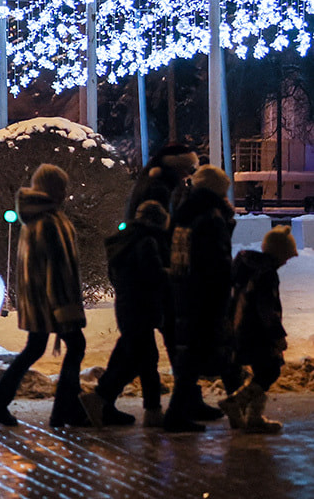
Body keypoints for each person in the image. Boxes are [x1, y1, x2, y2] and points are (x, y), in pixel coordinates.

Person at [0, 164, 90, 428]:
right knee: (75, 346)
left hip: (38, 301)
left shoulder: (34, 219)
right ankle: (65, 409)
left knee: (35, 348)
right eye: (61, 187)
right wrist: (66, 309)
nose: (65, 192)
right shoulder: (50, 221)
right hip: (55, 302)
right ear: (53, 189)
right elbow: (59, 270)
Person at [81, 200, 170, 428]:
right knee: (147, 359)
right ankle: (148, 410)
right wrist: (171, 274)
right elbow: (153, 276)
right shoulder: (146, 241)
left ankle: (103, 401)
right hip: (142, 307)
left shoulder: (123, 241)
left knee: (130, 358)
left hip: (127, 307)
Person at [163, 164, 237, 433]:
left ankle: (181, 411)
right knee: (208, 352)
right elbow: (216, 260)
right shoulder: (210, 217)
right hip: (206, 295)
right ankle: (238, 407)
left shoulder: (184, 213)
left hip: (184, 291)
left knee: (194, 355)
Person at [218, 226, 297, 433]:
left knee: (263, 371)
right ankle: (236, 403)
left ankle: (254, 418)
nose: (286, 262)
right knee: (270, 370)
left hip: (241, 327)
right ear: (278, 253)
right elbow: (266, 308)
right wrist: (278, 336)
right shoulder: (266, 274)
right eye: (286, 257)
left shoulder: (247, 267)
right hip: (257, 331)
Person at [125, 143, 198, 221]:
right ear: (174, 167)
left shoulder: (151, 181)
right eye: (184, 168)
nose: (186, 174)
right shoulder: (158, 188)